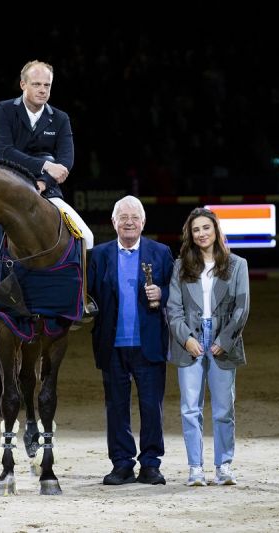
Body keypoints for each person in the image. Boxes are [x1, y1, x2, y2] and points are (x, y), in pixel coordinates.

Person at [87, 195, 174, 485]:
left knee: (152, 407)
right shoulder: (98, 255)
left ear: (143, 222)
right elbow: (87, 297)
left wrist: (162, 294)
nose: (129, 222)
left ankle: (150, 464)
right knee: (116, 407)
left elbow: (177, 296)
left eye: (134, 217)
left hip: (149, 345)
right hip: (111, 345)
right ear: (113, 223)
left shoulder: (160, 252)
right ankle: (122, 464)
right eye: (122, 217)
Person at [166, 207, 250, 487]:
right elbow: (173, 309)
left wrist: (223, 340)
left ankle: (223, 466)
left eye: (206, 228)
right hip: (189, 338)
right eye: (196, 229)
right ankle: (195, 469)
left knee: (224, 408)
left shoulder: (237, 265)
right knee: (190, 408)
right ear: (190, 235)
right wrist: (187, 338)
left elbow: (242, 309)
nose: (202, 234)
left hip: (222, 339)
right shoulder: (181, 266)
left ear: (216, 231)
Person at [0, 59, 94, 249]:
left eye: (47, 85)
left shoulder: (61, 119)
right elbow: (5, 153)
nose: (42, 89)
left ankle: (82, 280)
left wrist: (44, 181)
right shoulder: (3, 110)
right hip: (5, 186)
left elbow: (65, 162)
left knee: (87, 238)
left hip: (47, 189)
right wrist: (45, 165)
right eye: (36, 84)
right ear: (23, 84)